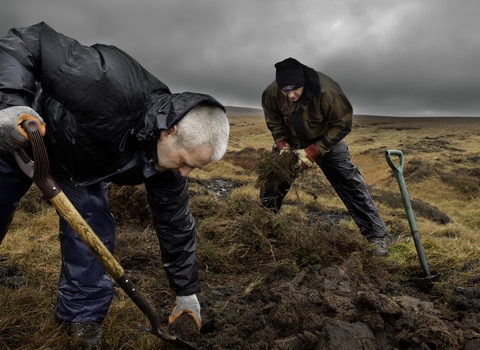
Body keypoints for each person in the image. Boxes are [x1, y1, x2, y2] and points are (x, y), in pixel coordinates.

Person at [0, 22, 229, 347]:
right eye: (184, 162)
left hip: (79, 170)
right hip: (24, 136)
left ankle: (81, 319)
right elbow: (31, 41)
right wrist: (9, 104)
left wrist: (186, 291)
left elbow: (175, 224)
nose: (185, 174)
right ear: (170, 131)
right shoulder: (113, 84)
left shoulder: (167, 166)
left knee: (95, 236)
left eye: (193, 167)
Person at [259, 57, 388, 256]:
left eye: (295, 89)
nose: (291, 95)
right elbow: (274, 121)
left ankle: (376, 237)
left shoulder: (327, 90)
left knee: (348, 181)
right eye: (286, 90)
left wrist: (312, 153)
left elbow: (342, 124)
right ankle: (261, 227)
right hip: (292, 139)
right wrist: (283, 147)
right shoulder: (271, 93)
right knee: (274, 177)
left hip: (327, 139)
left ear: (303, 82)